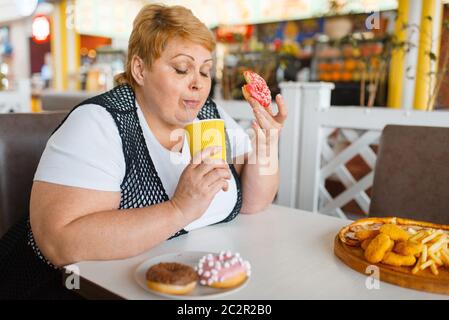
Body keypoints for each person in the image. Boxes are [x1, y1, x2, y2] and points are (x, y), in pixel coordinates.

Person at [0, 4, 287, 299]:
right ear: (140, 69)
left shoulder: (210, 116)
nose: (198, 83)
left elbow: (254, 201)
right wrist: (180, 209)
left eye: (205, 71)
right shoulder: (101, 122)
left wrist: (267, 142)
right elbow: (59, 243)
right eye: (181, 68)